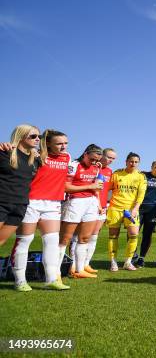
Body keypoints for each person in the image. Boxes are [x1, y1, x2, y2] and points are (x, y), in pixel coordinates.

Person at [8, 129, 70, 291]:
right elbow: (17, 153)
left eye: (65, 143)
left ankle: (51, 279)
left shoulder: (67, 157)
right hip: (31, 202)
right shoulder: (35, 155)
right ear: (48, 143)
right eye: (59, 143)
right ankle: (20, 281)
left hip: (53, 204)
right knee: (24, 240)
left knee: (51, 241)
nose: (63, 146)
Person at [0, 125, 42, 292]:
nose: (37, 139)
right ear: (21, 136)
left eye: (38, 136)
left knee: (1, 241)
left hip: (20, 205)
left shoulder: (35, 159)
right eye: (33, 136)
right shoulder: (6, 152)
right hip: (2, 201)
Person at [59, 144, 104, 279]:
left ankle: (79, 270)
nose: (95, 162)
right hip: (74, 202)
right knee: (65, 239)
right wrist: (91, 186)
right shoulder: (73, 165)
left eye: (97, 160)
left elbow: (95, 187)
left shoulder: (96, 167)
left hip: (90, 202)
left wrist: (98, 202)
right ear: (85, 154)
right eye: (92, 159)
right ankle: (56, 272)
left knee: (84, 238)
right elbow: (66, 187)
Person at [74, 147, 116, 275]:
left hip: (102, 207)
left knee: (93, 236)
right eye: (109, 157)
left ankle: (86, 264)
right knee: (79, 236)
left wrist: (105, 205)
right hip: (88, 204)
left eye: (113, 159)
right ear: (101, 155)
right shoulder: (92, 168)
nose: (110, 160)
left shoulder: (109, 171)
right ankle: (73, 265)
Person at [105, 152, 147, 271]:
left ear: (138, 163)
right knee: (113, 235)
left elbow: (141, 194)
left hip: (131, 210)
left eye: (136, 162)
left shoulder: (141, 176)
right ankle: (113, 262)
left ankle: (128, 262)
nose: (133, 164)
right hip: (115, 208)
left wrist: (135, 209)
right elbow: (106, 188)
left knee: (134, 234)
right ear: (126, 162)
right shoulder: (117, 174)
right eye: (131, 161)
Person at [135, 159, 156, 268]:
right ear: (152, 167)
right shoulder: (143, 175)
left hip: (154, 210)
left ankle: (141, 258)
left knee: (147, 234)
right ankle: (133, 255)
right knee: (133, 233)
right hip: (139, 208)